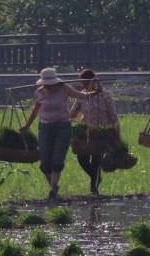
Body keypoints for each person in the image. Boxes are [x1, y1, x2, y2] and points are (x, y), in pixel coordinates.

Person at [22, 67, 91, 200]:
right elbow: (36, 110)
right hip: (45, 128)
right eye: (45, 84)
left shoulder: (64, 88)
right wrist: (26, 126)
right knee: (44, 163)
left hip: (62, 127)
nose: (48, 87)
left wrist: (93, 90)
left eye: (50, 84)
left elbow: (81, 96)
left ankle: (53, 189)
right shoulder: (39, 92)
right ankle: (54, 188)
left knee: (57, 159)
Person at [70, 68, 120, 196]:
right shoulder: (82, 95)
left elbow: (113, 116)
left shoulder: (104, 95)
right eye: (83, 84)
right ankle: (96, 177)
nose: (85, 86)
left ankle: (94, 188)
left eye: (86, 83)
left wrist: (116, 132)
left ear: (94, 81)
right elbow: (73, 113)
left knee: (96, 160)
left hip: (101, 132)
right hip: (86, 132)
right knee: (82, 158)